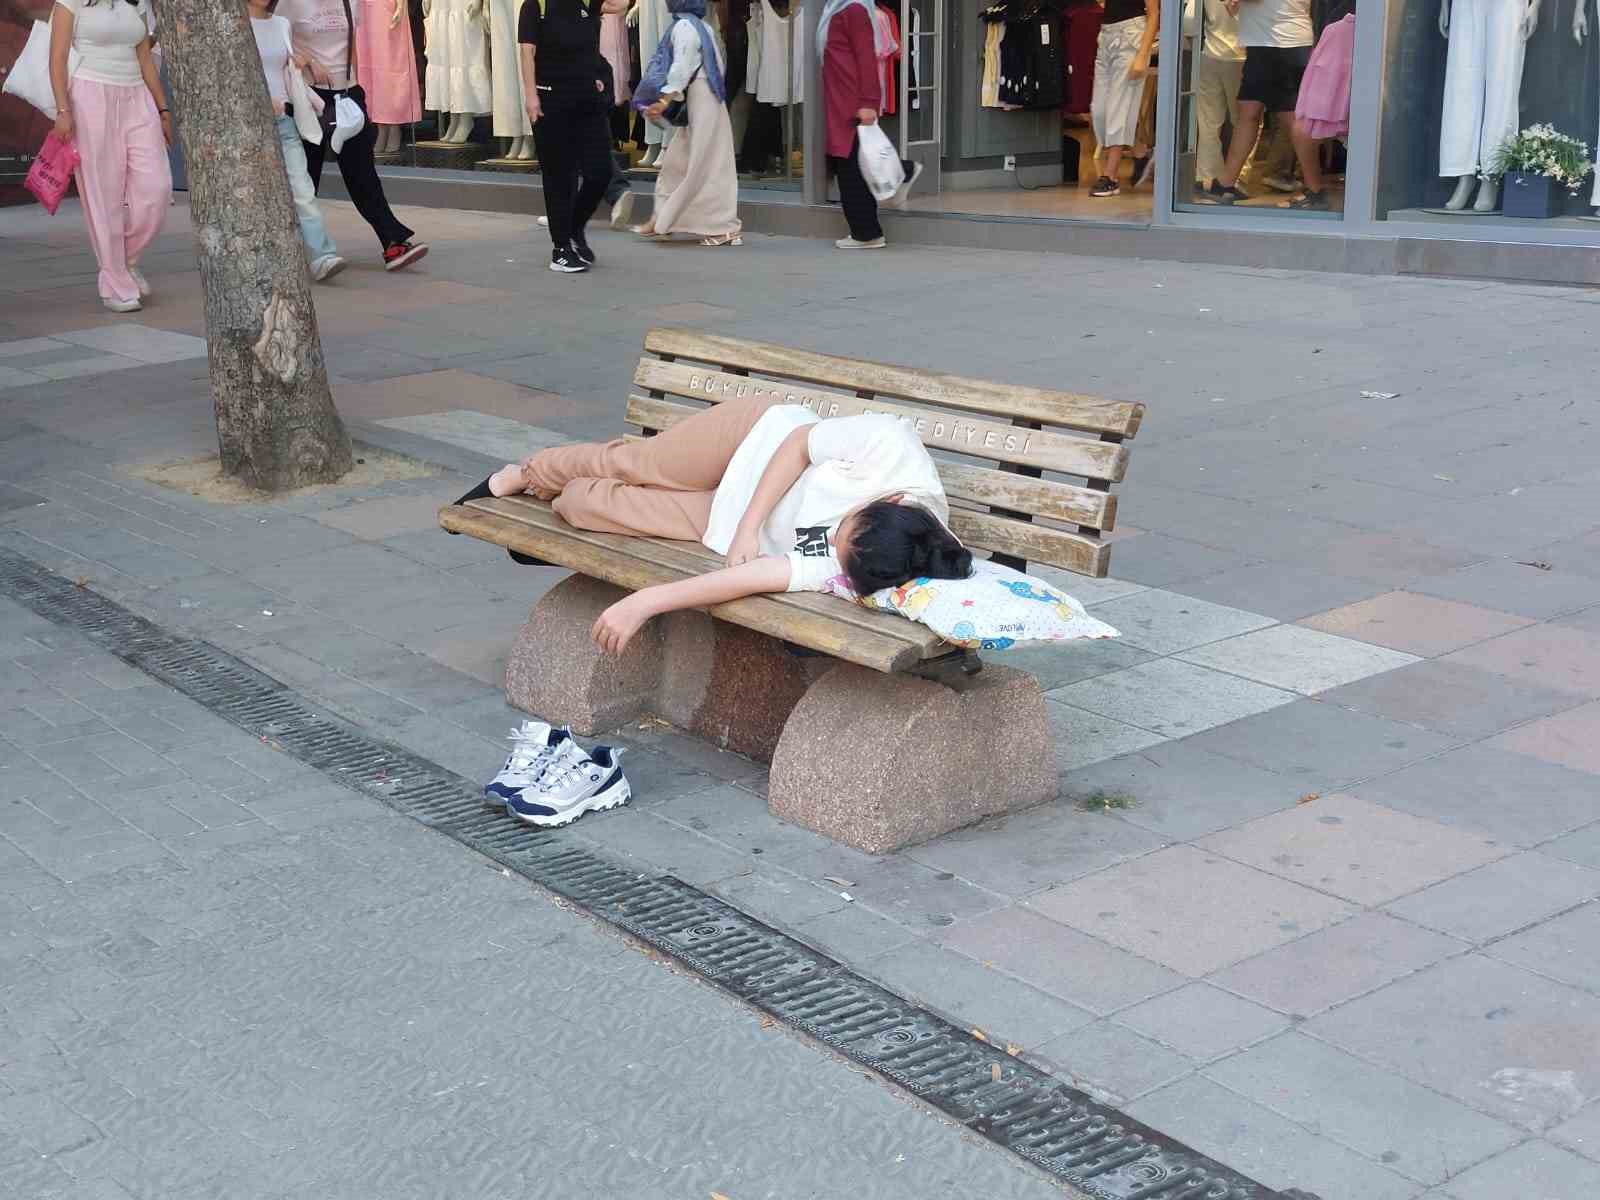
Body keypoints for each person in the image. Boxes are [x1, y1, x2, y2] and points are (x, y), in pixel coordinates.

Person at [473, 396, 972, 655]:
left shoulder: (868, 561)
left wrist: (644, 602)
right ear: (889, 500)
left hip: (720, 518)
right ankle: (529, 472)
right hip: (751, 443)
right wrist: (748, 530)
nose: (830, 538)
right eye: (842, 526)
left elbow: (749, 578)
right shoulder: (891, 450)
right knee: (637, 465)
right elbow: (798, 442)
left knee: (581, 507)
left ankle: (556, 489)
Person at [276, 0, 429, 269]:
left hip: (346, 96)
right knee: (305, 178)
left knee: (363, 174)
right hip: (309, 98)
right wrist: (306, 62)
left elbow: (352, 46)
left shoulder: (350, 1)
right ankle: (298, 251)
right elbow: (277, 47)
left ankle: (393, 242)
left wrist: (354, 88)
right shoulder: (289, 4)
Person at [47, 0, 172, 313]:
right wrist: (63, 109)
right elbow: (57, 57)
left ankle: (123, 260)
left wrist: (163, 108)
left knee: (156, 190)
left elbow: (144, 58)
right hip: (90, 97)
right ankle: (115, 283)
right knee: (104, 196)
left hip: (137, 98)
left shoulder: (137, 2)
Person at [248, 0, 347, 281]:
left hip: (285, 120)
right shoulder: (235, 28)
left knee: (302, 190)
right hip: (250, 123)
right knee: (257, 194)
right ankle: (263, 258)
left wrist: (304, 62)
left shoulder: (281, 24)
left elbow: (286, 68)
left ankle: (322, 256)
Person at [631, 0, 742, 246]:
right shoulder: (703, 26)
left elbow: (683, 65)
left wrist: (665, 99)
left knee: (703, 165)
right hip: (707, 98)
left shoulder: (684, 27)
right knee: (686, 162)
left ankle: (722, 227)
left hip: (701, 98)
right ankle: (662, 219)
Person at [519, 0, 616, 273]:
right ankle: (560, 248)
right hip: (550, 99)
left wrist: (596, 76)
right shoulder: (535, 5)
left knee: (600, 172)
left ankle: (574, 226)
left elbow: (620, 5)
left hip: (587, 99)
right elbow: (527, 52)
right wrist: (530, 96)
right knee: (560, 176)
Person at [819, 0, 919, 249]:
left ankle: (867, 233)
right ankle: (901, 175)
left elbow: (866, 57)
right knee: (852, 162)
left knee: (851, 165)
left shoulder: (853, 10)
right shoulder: (838, 9)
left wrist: (868, 102)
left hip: (851, 99)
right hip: (841, 97)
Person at [1204, 0, 1314, 203]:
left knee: (1291, 117)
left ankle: (1314, 188)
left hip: (1280, 43)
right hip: (1268, 44)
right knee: (1249, 112)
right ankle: (1226, 183)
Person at [1087, 0, 1158, 197]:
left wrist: (1143, 55)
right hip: (1106, 35)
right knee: (1099, 112)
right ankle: (1140, 152)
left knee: (1118, 109)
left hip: (1131, 35)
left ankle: (1110, 177)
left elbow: (1153, 14)